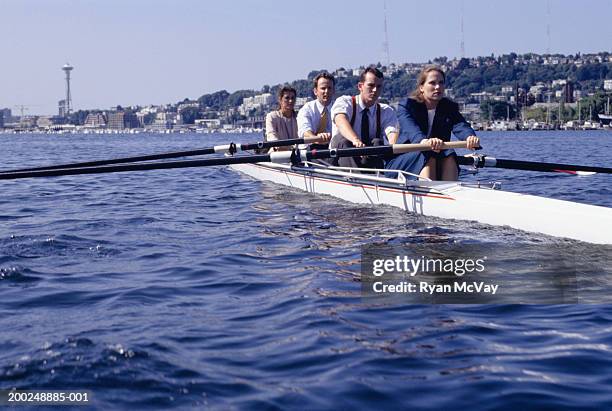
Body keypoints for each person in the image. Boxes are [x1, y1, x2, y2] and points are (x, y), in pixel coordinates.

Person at [392, 65, 480, 180]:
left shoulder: (449, 107)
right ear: (421, 87)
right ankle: (428, 192)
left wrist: (470, 137)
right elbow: (411, 129)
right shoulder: (407, 106)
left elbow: (460, 125)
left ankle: (450, 191)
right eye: (432, 83)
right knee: (428, 153)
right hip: (403, 159)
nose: (437, 87)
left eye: (441, 83)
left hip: (436, 156)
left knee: (449, 153)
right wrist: (424, 141)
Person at [330, 67, 399, 169]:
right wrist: (355, 140)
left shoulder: (386, 111)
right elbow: (340, 121)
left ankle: (377, 178)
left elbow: (392, 132)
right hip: (340, 159)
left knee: (378, 142)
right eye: (371, 85)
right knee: (344, 141)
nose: (375, 90)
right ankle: (358, 178)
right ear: (360, 86)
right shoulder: (345, 102)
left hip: (367, 160)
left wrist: (393, 145)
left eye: (379, 86)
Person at [297, 72, 335, 149]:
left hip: (332, 149)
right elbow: (305, 131)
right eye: (323, 88)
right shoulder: (307, 109)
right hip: (310, 150)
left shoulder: (338, 108)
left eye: (329, 88)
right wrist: (317, 139)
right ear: (315, 91)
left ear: (333, 91)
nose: (326, 91)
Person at [265, 86, 298, 151]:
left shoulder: (299, 117)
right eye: (287, 98)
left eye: (292, 98)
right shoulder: (272, 117)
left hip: (298, 156)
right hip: (278, 156)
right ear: (280, 100)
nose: (290, 101)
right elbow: (271, 137)